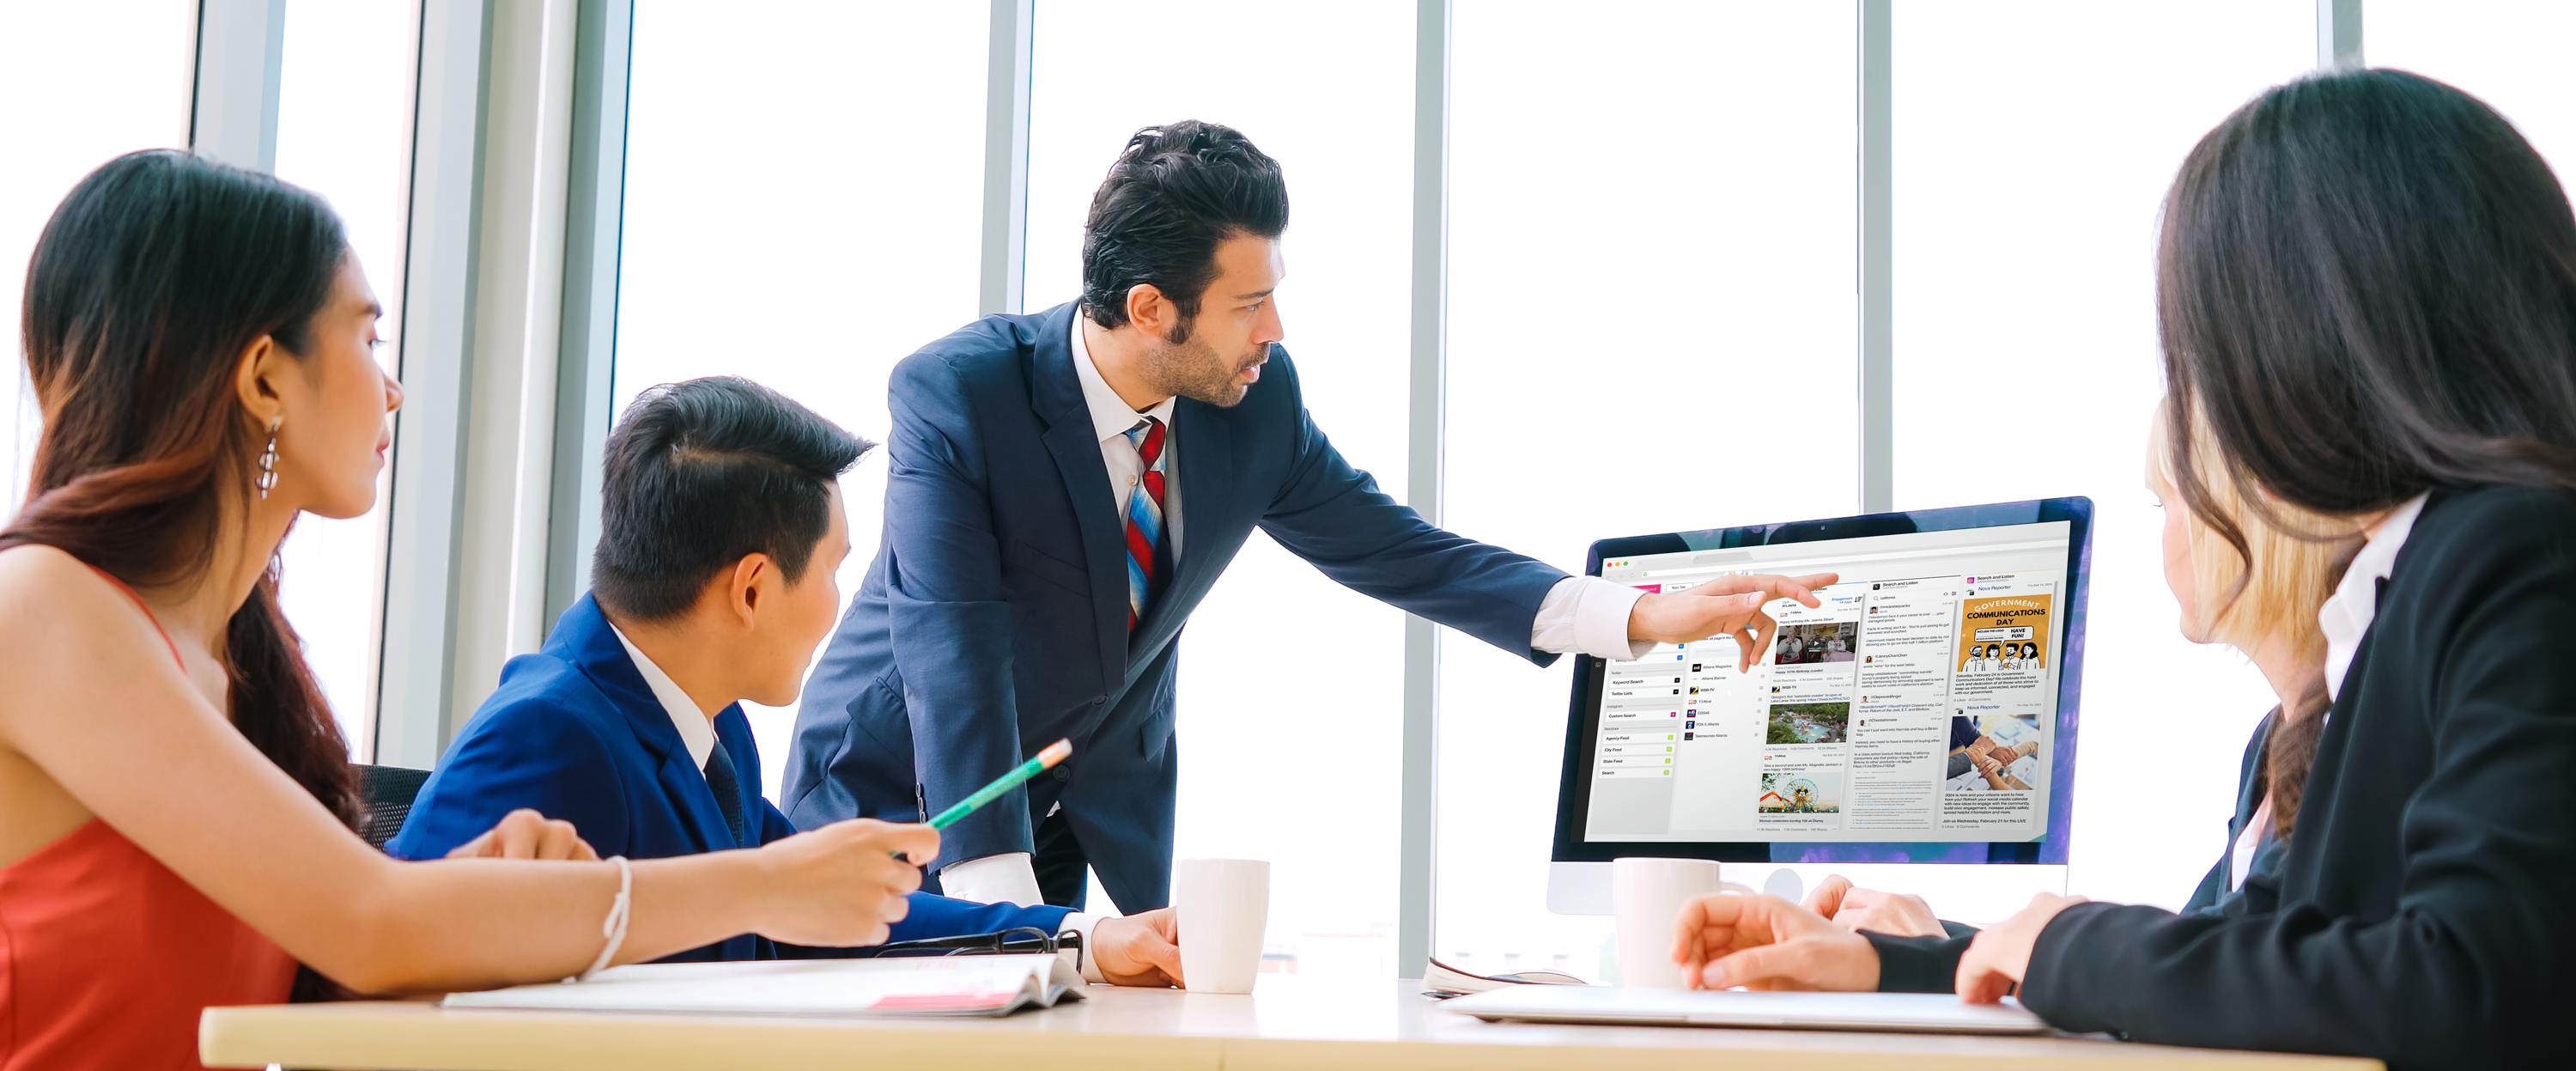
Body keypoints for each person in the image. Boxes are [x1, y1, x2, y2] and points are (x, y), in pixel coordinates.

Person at [1668, 70, 2576, 1067]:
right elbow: (2263, 954)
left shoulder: (2507, 548)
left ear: (2314, 331)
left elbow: (2478, 984)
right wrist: (1905, 964)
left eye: (2208, 351)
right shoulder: (2411, 586)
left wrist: (2068, 938)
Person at [0, 152, 929, 1070]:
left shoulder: (237, 654)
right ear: (265, 379)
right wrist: (765, 885)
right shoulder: (44, 608)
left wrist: (468, 891)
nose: (391, 387)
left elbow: (325, 976)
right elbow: (366, 925)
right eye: (367, 341)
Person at [782, 120, 1832, 912]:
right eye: (1249, 303)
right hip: (914, 789)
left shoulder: (1253, 403)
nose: (1275, 330)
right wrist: (1004, 913)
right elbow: (952, 648)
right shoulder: (960, 394)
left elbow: (1399, 548)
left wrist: (1642, 615)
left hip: (1079, 798)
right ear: (1151, 308)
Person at [386, 377, 1182, 985]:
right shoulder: (547, 733)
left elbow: (813, 909)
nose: (843, 604)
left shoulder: (708, 723)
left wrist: (1078, 939)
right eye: (837, 568)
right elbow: (387, 966)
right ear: (754, 589)